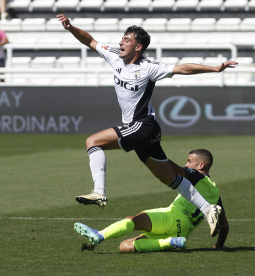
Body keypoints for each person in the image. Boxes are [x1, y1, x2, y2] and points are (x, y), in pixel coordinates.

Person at [57, 14, 238, 236]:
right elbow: (90, 41)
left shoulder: (149, 67)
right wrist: (71, 27)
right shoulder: (114, 56)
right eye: (122, 39)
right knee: (168, 178)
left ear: (138, 46)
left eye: (126, 40)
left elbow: (182, 68)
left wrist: (214, 69)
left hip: (143, 126)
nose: (121, 42)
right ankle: (209, 209)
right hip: (146, 130)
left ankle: (99, 192)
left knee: (93, 141)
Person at [74, 149, 230, 253]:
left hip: (171, 218)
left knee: (132, 220)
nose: (187, 164)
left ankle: (100, 235)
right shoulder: (215, 194)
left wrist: (151, 153)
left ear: (201, 165)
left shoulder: (197, 176)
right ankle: (171, 242)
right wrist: (219, 245)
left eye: (189, 161)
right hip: (182, 231)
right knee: (125, 246)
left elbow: (174, 168)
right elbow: (224, 226)